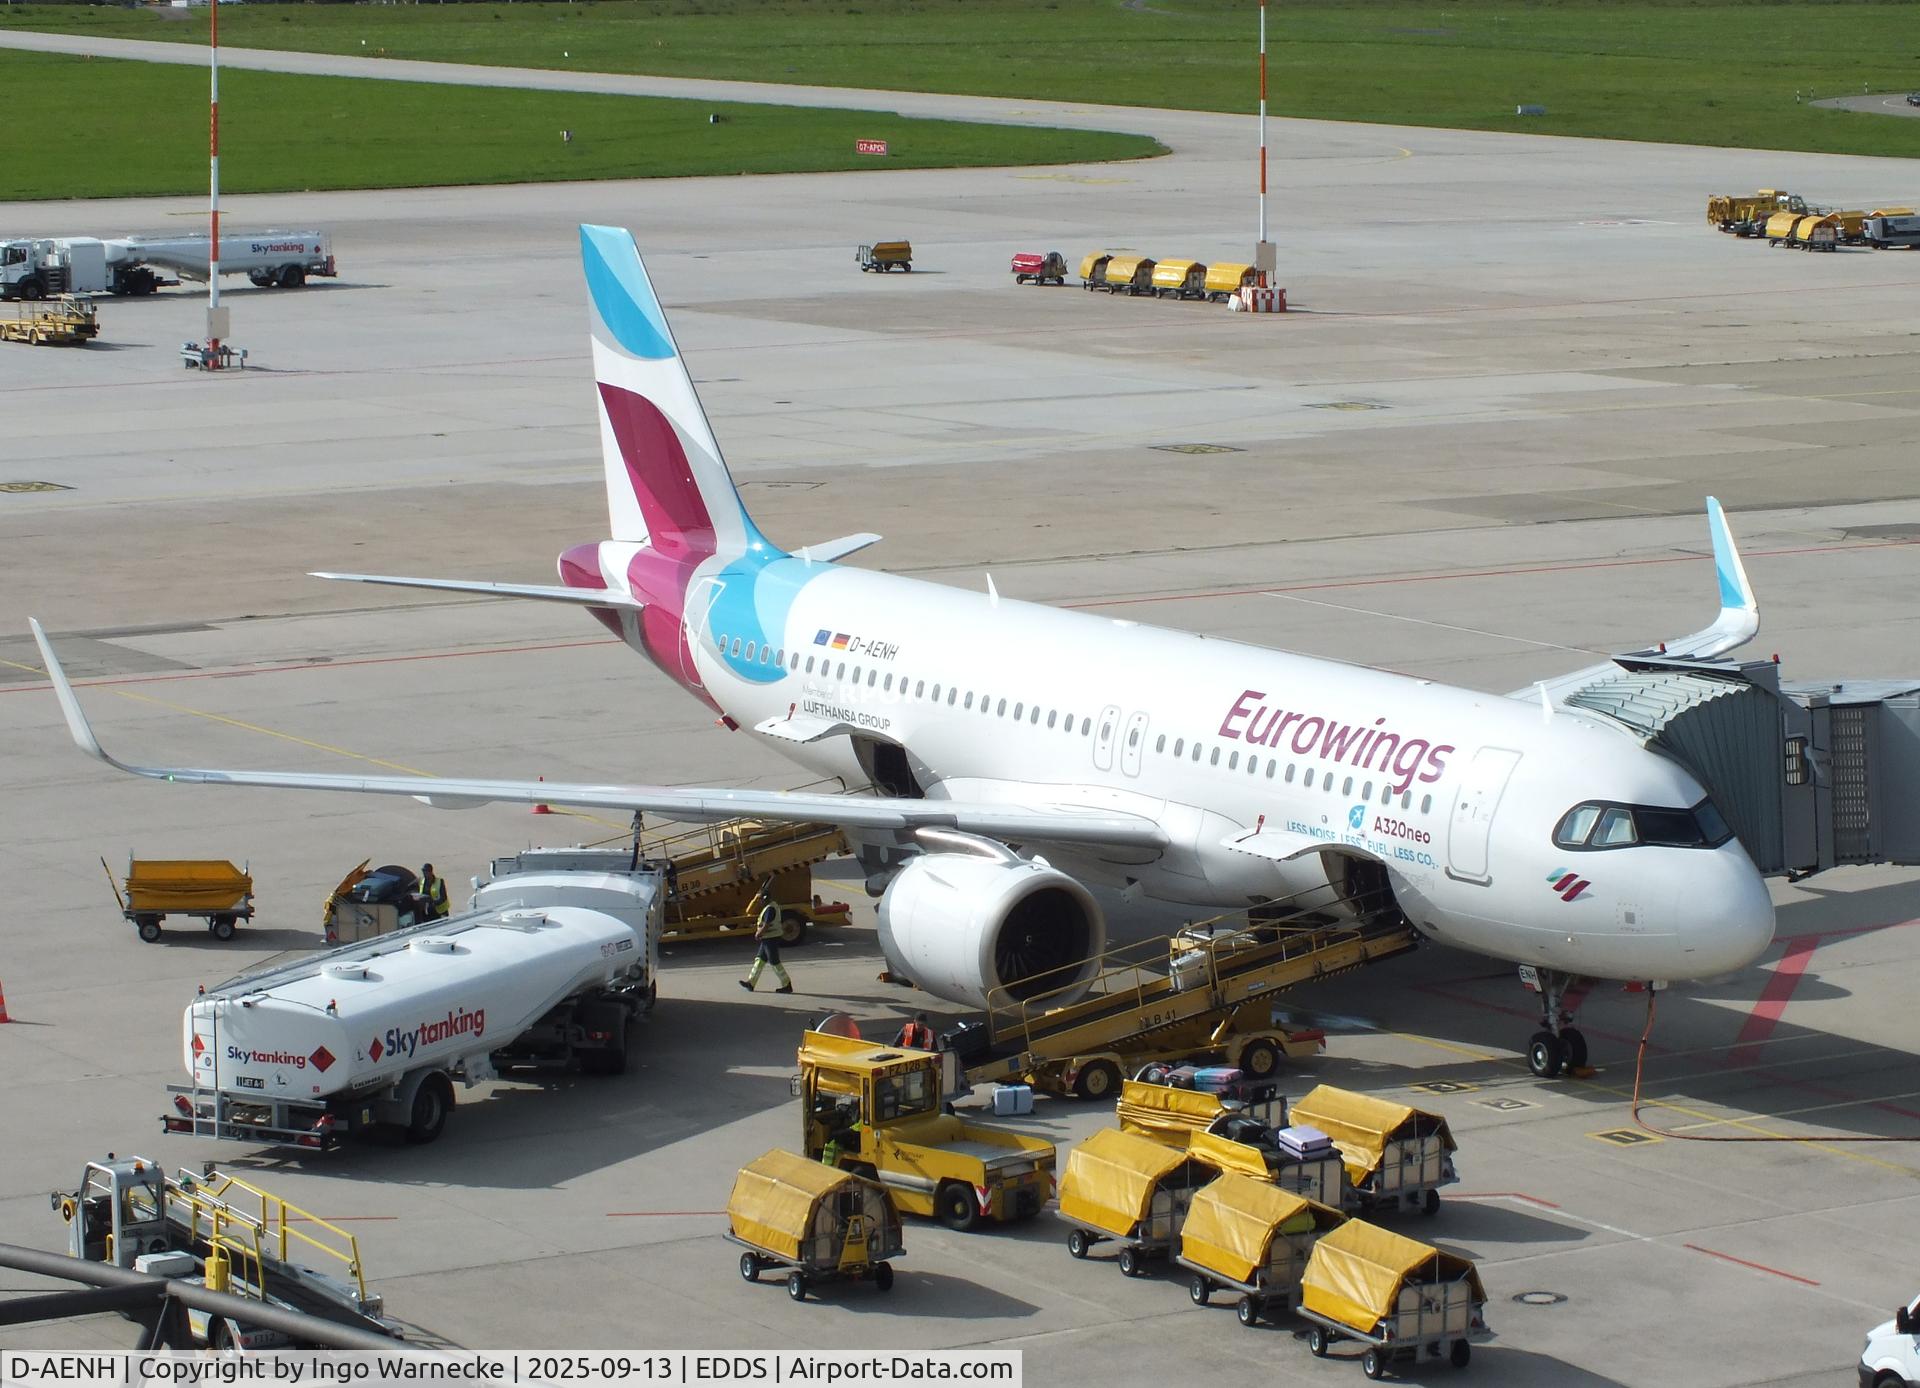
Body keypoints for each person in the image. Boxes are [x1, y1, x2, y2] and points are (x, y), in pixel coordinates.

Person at [739, 879, 792, 994]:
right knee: (760, 960)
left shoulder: (770, 909)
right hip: (767, 938)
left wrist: (759, 933)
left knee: (774, 962)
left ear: (765, 899)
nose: (759, 902)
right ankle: (751, 982)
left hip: (771, 938)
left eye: (760, 900)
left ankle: (787, 984)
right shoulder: (770, 906)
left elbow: (767, 924)